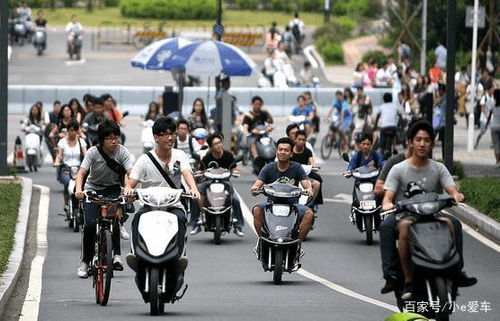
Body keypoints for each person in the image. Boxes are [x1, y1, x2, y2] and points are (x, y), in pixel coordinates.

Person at [382, 120, 476, 299]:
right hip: (406, 216)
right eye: (418, 139)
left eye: (426, 140)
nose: (422, 144)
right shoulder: (398, 169)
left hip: (433, 215)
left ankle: (457, 270)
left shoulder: (438, 168)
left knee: (453, 223)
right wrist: (388, 204)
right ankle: (397, 276)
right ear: (410, 142)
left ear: (432, 143)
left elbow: (453, 190)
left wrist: (457, 196)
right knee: (391, 227)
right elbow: (388, 197)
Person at [124, 116, 200, 278]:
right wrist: (129, 191)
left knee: (180, 219)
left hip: (173, 205)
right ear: (155, 137)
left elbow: (187, 173)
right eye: (165, 134)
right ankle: (135, 254)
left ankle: (180, 256)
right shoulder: (144, 160)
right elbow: (131, 184)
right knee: (137, 218)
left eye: (171, 133)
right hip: (149, 206)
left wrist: (193, 188)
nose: (170, 137)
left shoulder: (179, 155)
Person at [74, 120, 134, 278]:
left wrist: (128, 188)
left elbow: (130, 173)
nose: (114, 141)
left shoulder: (122, 152)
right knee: (89, 226)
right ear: (102, 140)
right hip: (92, 189)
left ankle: (116, 256)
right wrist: (79, 190)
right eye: (110, 138)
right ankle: (85, 261)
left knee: (114, 221)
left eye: (116, 137)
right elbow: (81, 173)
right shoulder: (93, 152)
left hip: (113, 189)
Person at [251, 137, 314, 243]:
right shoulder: (268, 168)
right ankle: (261, 239)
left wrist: (309, 190)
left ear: (291, 153)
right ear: (276, 152)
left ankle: (297, 244)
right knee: (257, 209)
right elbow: (256, 185)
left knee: (309, 214)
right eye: (280, 149)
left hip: (293, 205)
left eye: (286, 150)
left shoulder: (297, 168)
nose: (283, 152)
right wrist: (255, 189)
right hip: (271, 204)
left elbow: (307, 186)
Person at [190, 133, 245, 236]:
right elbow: (201, 169)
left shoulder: (228, 155)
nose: (218, 145)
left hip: (225, 182)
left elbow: (234, 168)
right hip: (208, 182)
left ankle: (238, 226)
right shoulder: (207, 157)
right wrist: (198, 172)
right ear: (211, 147)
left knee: (236, 200)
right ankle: (195, 224)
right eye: (215, 144)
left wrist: (235, 172)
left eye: (219, 142)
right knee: (195, 197)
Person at [54, 119, 87, 198]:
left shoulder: (81, 141)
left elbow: (86, 154)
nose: (73, 132)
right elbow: (59, 155)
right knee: (67, 181)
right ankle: (66, 201)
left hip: (79, 168)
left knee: (83, 183)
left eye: (75, 130)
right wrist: (57, 162)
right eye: (71, 130)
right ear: (67, 130)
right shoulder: (62, 142)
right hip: (66, 169)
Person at [290, 130, 322, 208]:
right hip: (291, 175)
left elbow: (312, 161)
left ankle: (311, 204)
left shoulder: (307, 151)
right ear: (295, 140)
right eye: (299, 139)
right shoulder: (290, 151)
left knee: (317, 182)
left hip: (305, 175)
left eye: (303, 140)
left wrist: (314, 166)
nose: (301, 141)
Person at [242, 96, 273, 160]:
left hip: (263, 134)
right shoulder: (248, 115)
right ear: (252, 104)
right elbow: (245, 126)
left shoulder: (263, 113)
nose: (257, 106)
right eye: (256, 104)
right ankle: (256, 157)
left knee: (271, 141)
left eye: (259, 104)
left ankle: (273, 154)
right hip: (252, 135)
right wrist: (246, 131)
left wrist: (267, 112)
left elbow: (270, 121)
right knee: (252, 143)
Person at [474, 82, 495, 149]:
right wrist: (486, 116)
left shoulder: (493, 97)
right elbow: (482, 108)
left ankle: (493, 143)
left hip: (491, 117)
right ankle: (476, 142)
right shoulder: (485, 97)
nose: (493, 90)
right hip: (484, 118)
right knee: (482, 132)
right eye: (492, 88)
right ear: (489, 89)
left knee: (493, 130)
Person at [487, 88, 500, 165]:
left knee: (496, 145)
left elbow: (489, 116)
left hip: (494, 127)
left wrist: (486, 125)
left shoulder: (492, 104)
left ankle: (497, 161)